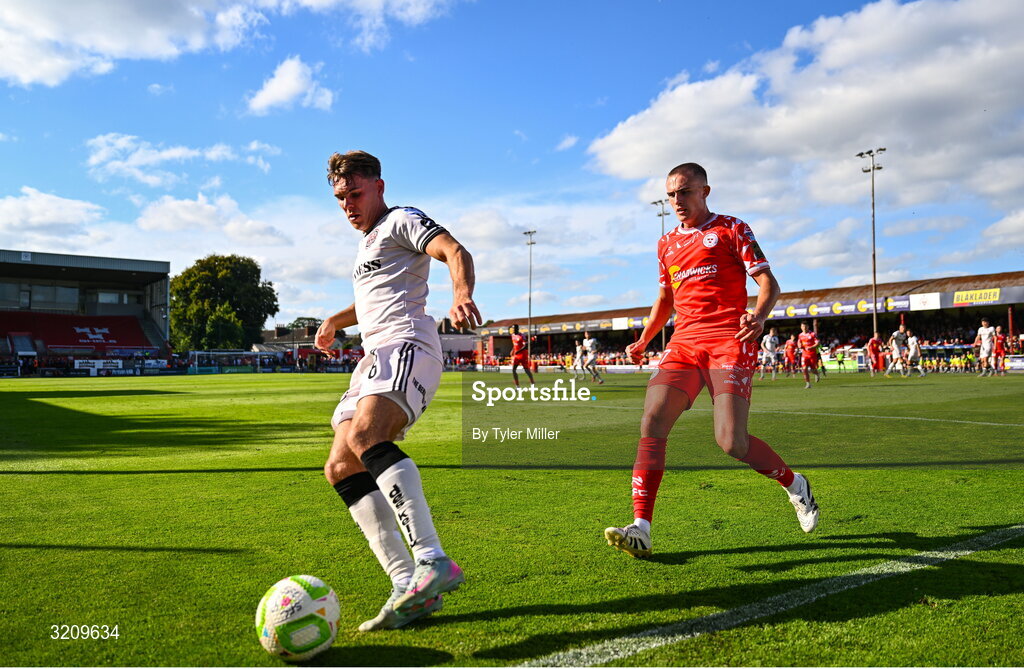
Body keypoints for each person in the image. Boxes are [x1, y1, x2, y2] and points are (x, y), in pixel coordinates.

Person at [605, 162, 818, 559]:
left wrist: (758, 315)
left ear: (705, 191)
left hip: (728, 340)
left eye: (684, 192)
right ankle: (642, 527)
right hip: (684, 342)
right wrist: (644, 339)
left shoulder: (732, 228)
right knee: (652, 419)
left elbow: (768, 283)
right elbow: (665, 300)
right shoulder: (665, 243)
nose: (676, 201)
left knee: (731, 442)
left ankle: (795, 485)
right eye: (671, 195)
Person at [315, 150, 481, 631]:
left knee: (368, 438)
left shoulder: (401, 220)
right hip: (374, 358)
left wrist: (462, 292)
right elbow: (371, 298)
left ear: (379, 186)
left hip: (407, 345)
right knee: (341, 465)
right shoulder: (367, 244)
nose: (347, 205)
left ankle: (433, 561)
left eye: (355, 194)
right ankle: (407, 583)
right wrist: (334, 319)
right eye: (340, 198)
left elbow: (455, 250)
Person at [798, 322, 820, 389]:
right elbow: (799, 342)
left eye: (805, 326)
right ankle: (808, 384)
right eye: (802, 326)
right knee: (804, 369)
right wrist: (799, 345)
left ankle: (817, 374)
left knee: (813, 369)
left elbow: (818, 343)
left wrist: (811, 347)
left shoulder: (813, 334)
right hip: (804, 355)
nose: (804, 328)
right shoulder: (800, 335)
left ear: (808, 327)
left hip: (812, 354)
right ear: (801, 327)